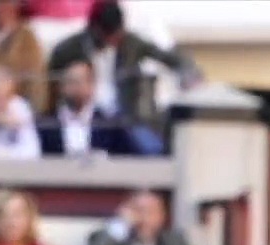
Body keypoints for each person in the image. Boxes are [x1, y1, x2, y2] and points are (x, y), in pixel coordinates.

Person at [45, 0, 197, 156]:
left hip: (126, 117)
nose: (113, 41)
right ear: (95, 28)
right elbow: (49, 85)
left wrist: (188, 75)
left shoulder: (131, 43)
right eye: (108, 35)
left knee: (152, 150)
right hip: (87, 117)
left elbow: (171, 58)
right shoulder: (69, 49)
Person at [38, 57, 131, 155]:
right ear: (61, 86)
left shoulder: (109, 124)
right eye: (71, 82)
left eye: (80, 81)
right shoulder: (47, 123)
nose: (76, 88)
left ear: (92, 85)